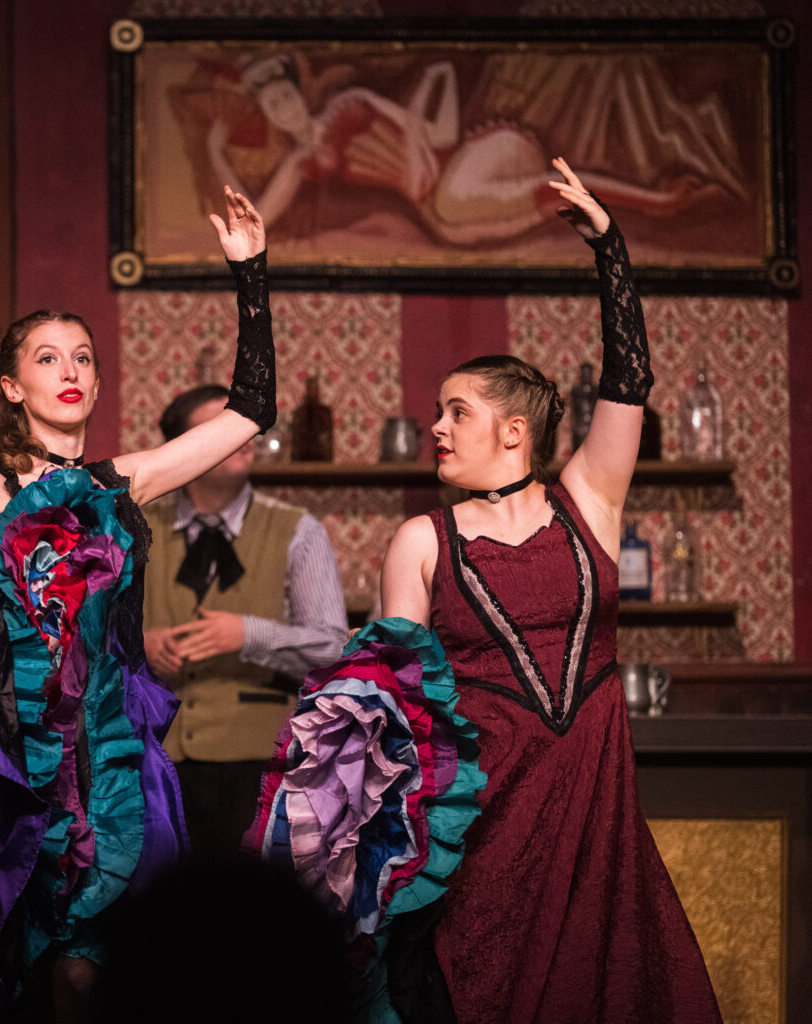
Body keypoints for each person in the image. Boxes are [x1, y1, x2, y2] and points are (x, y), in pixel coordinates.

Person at [0, 186, 274, 1024]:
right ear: (12, 386)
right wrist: (18, 517)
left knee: (101, 966)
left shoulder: (122, 480)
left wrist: (250, 271)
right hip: (25, 757)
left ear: (99, 384)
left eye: (82, 359)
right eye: (47, 359)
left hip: (115, 747)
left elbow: (251, 411)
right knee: (31, 969)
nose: (68, 372)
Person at [373, 158, 721, 1022]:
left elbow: (628, 380)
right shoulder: (422, 539)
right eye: (438, 412)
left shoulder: (589, 503)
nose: (437, 427)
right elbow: (392, 704)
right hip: (480, 819)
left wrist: (611, 249)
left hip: (594, 812)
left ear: (515, 430)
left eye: (457, 411)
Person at [205, 53, 728, 248]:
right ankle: (636, 211)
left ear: (298, 92)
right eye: (271, 105)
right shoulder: (300, 163)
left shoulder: (350, 102)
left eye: (285, 96)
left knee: (484, 199)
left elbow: (428, 111)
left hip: (473, 160)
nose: (283, 109)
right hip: (444, 207)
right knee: (460, 219)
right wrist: (215, 151)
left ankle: (657, 201)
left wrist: (416, 137)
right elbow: (258, 216)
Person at [141, 384, 348, 855]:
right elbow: (90, 638)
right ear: (185, 448)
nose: (244, 439)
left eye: (246, 429)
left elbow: (335, 650)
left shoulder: (299, 531)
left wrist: (248, 635)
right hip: (154, 758)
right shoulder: (138, 530)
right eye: (224, 428)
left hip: (264, 765)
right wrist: (143, 645)